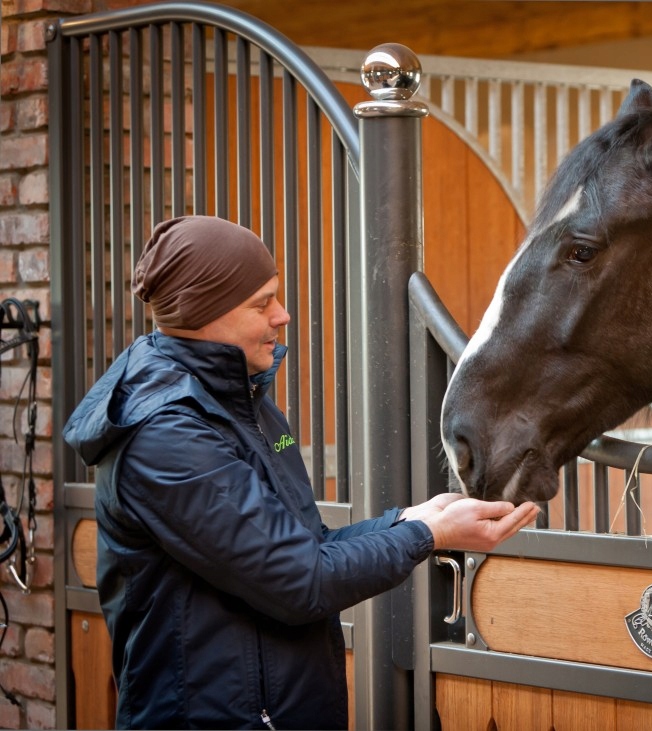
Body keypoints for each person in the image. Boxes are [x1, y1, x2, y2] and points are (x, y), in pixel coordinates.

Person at [62, 215, 539, 730]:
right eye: (261, 303)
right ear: (205, 312)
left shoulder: (243, 401)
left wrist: (411, 517)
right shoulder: (167, 436)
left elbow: (306, 547)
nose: (283, 315)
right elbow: (300, 581)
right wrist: (430, 534)